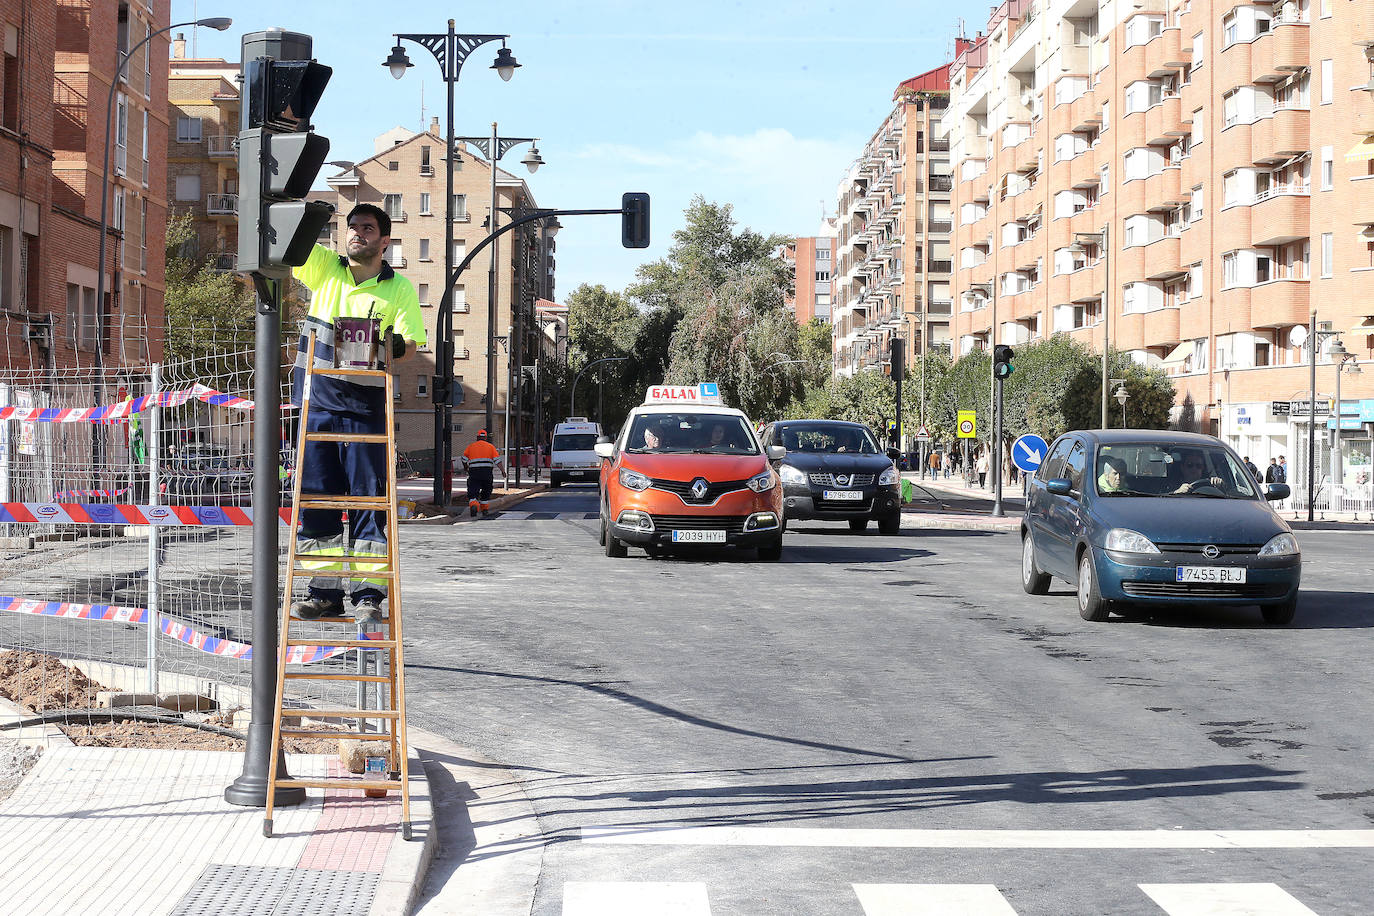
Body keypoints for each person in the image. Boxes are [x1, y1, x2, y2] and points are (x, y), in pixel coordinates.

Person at [288, 203, 425, 625]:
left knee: (369, 502)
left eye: (366, 228)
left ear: (385, 241)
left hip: (366, 407)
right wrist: (311, 212)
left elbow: (411, 345)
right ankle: (323, 594)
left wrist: (385, 344)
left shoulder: (398, 288)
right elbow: (292, 241)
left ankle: (368, 595)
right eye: (351, 227)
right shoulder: (325, 267)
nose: (356, 234)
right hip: (317, 402)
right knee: (316, 500)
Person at [462, 429, 500, 517]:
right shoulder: (491, 447)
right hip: (487, 473)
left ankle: (474, 504)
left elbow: (464, 459)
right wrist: (502, 471)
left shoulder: (471, 446)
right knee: (486, 490)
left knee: (473, 489)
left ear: (477, 437)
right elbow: (497, 460)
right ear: (485, 438)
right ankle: (484, 509)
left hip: (474, 472)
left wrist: (466, 467)